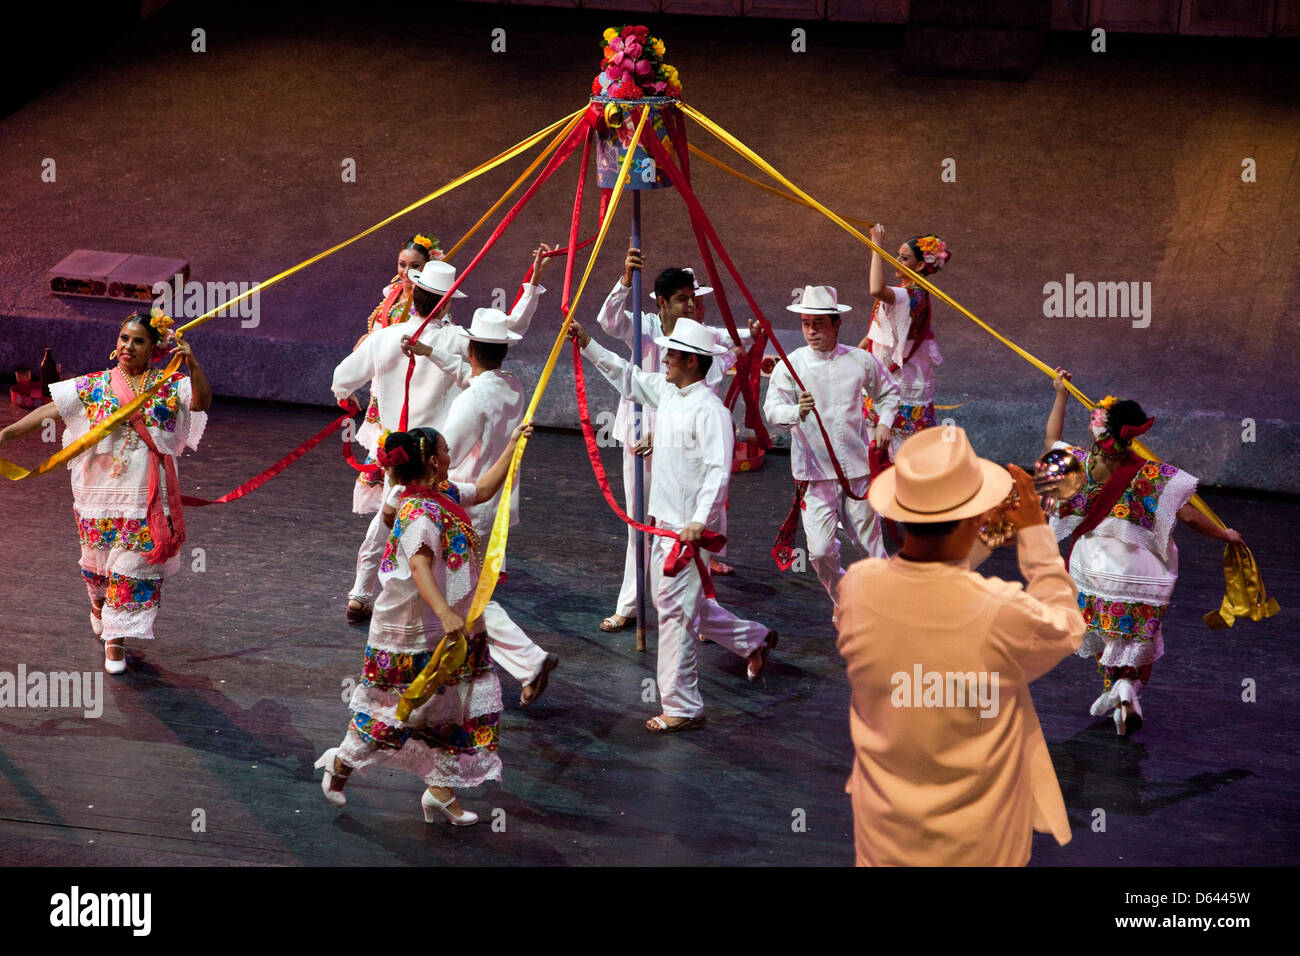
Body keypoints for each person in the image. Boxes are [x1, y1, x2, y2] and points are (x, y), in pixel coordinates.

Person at [836, 426, 1085, 865]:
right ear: (976, 518)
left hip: (883, 837)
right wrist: (1035, 535)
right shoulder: (1001, 610)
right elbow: (1067, 627)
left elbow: (924, 589)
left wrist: (981, 535)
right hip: (977, 845)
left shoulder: (856, 588)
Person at [316, 420, 533, 824]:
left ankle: (439, 792)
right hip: (417, 629)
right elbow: (418, 565)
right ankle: (343, 761)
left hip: (450, 625)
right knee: (406, 710)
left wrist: (514, 446)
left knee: (450, 708)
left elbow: (484, 490)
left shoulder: (443, 493)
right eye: (447, 450)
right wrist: (447, 613)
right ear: (433, 461)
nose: (453, 455)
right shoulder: (418, 510)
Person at [570, 317, 776, 734]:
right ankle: (752, 638)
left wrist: (700, 521)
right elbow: (626, 376)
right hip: (667, 526)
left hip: (689, 532)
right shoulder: (669, 394)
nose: (664, 358)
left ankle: (683, 705)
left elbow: (719, 472)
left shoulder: (711, 411)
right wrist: (588, 343)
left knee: (675, 614)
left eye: (672, 353)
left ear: (692, 361)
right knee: (680, 605)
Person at [332, 245, 554, 623]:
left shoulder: (384, 338)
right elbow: (508, 330)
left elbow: (340, 380)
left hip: (397, 454)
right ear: (447, 302)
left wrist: (354, 400)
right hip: (437, 458)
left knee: (388, 519)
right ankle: (441, 604)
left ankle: (363, 592)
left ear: (413, 293)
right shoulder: (458, 342)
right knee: (429, 530)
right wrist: (533, 279)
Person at [0, 312, 211, 673]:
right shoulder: (97, 385)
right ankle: (99, 605)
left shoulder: (169, 384)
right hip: (97, 492)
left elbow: (201, 403)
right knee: (98, 568)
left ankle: (116, 639)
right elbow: (52, 410)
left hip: (145, 495)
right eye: (123, 338)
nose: (128, 346)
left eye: (138, 340)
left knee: (134, 566)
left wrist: (193, 366)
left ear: (155, 347)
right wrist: (5, 435)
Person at [1044, 369, 1244, 735]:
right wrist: (1224, 535)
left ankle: (1119, 691)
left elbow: (1051, 439)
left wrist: (1061, 394)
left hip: (1094, 567)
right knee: (1134, 639)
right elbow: (1190, 518)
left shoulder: (1083, 465)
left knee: (1107, 632)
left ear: (1098, 428)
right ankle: (1125, 689)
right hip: (1138, 573)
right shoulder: (1151, 475)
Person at [402, 308, 560, 707]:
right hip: (494, 503)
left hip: (465, 506)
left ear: (471, 348)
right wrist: (432, 353)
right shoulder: (512, 386)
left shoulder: (473, 399)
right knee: (464, 594)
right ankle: (510, 664)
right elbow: (470, 376)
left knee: (464, 596)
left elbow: (441, 453)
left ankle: (527, 660)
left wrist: (402, 492)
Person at [594, 245, 749, 632]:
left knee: (685, 527)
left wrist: (754, 335)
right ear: (662, 303)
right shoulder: (643, 327)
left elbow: (732, 342)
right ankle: (630, 605)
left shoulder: (698, 337)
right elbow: (607, 320)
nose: (692, 306)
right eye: (683, 299)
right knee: (638, 527)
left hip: (680, 447)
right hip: (638, 440)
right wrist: (624, 279)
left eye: (694, 299)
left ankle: (703, 614)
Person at [764, 285, 900, 620]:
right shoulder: (791, 366)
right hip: (814, 475)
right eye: (806, 324)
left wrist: (884, 423)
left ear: (836, 324)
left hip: (856, 471)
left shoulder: (859, 361)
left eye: (819, 324)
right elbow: (771, 410)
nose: (811, 331)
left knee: (871, 547)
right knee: (820, 552)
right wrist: (796, 411)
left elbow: (889, 393)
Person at [350, 232, 443, 515]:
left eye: (414, 266)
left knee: (400, 449)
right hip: (381, 385)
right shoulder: (391, 294)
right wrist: (352, 378)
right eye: (402, 264)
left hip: (406, 386)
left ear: (427, 268)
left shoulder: (427, 305)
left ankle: (407, 507)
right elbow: (371, 338)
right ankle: (391, 512)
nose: (406, 272)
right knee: (384, 448)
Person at [858, 224, 951, 457]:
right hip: (889, 373)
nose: (896, 260)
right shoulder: (908, 292)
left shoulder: (909, 295)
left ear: (920, 266)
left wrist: (876, 245)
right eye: (897, 255)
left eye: (904, 258)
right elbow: (879, 333)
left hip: (898, 380)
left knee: (895, 452)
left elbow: (876, 289)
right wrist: (853, 353)